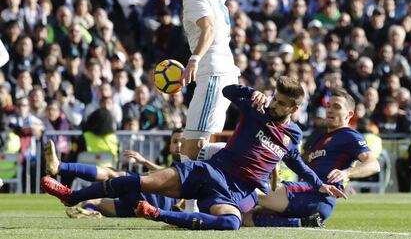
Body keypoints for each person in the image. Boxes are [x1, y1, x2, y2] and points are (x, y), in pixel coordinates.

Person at [41, 76, 345, 230]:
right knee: (142, 182)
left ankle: (158, 214)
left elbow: (296, 163)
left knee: (231, 224)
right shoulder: (256, 110)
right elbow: (227, 93)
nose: (273, 104)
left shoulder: (292, 136)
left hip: (235, 192)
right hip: (212, 171)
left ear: (293, 109)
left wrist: (319, 184)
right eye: (274, 98)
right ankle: (73, 196)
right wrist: (249, 91)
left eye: (280, 103)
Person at [164, 0, 250, 161]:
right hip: (219, 72)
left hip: (213, 72)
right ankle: (197, 196)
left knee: (194, 144)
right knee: (194, 142)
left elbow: (208, 28)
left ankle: (252, 156)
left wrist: (194, 59)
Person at [242, 87, 380, 228]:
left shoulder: (349, 135)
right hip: (306, 198)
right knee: (246, 218)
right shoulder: (320, 138)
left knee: (249, 191)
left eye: (337, 107)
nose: (330, 110)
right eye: (328, 106)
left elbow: (373, 164)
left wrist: (345, 173)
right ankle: (304, 222)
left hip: (316, 195)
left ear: (349, 114)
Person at [45, 129, 183, 218]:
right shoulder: (172, 167)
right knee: (93, 201)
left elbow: (169, 174)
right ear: (169, 146)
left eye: (182, 142)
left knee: (114, 174)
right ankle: (89, 212)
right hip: (138, 208)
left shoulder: (191, 164)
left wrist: (145, 162)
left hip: (162, 202)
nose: (179, 145)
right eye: (175, 142)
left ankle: (61, 169)